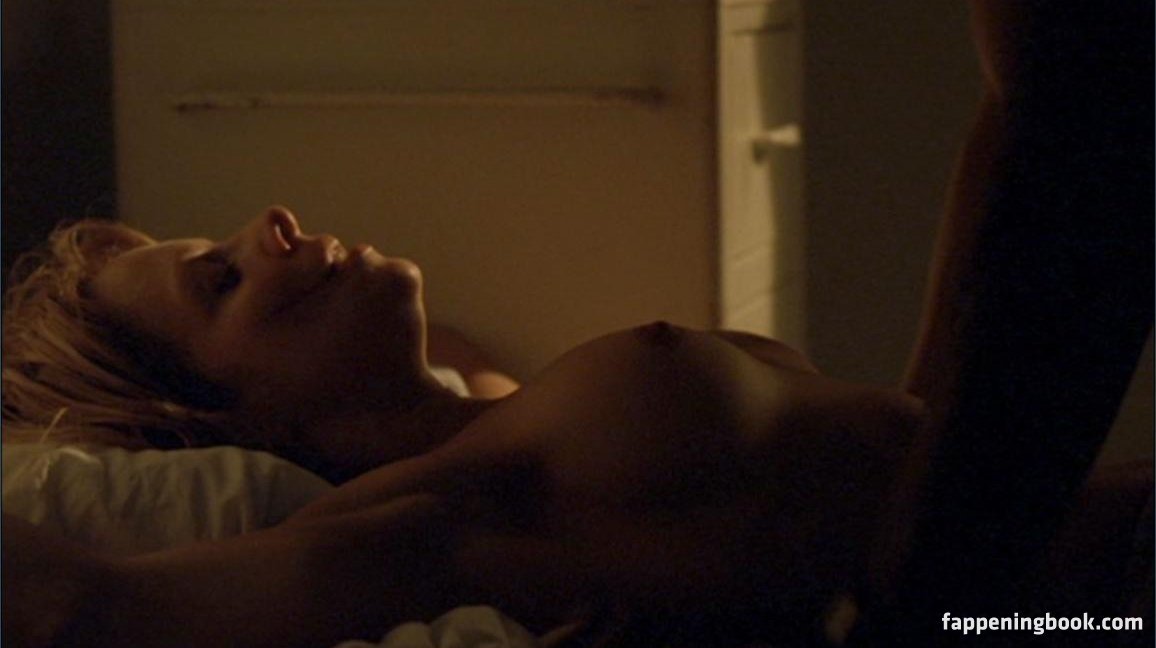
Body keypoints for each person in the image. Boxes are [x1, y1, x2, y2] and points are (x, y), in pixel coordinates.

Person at [2, 2, 1150, 646]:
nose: (273, 225)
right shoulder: (435, 512)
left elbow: (908, 447)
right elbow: (92, 605)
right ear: (226, 421)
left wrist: (1023, 114)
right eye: (220, 281)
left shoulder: (500, 407)